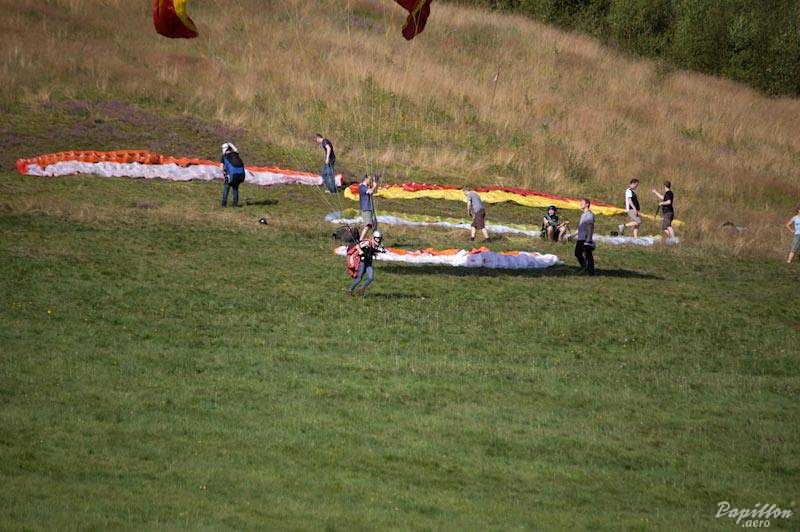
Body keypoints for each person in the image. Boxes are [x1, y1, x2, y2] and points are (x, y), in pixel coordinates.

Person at [347, 231, 386, 298]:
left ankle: (361, 289)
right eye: (377, 238)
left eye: (379, 238)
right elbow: (357, 246)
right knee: (359, 278)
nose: (378, 240)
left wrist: (380, 251)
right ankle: (349, 290)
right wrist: (360, 251)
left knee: (370, 278)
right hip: (362, 262)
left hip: (368, 263)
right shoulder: (367, 242)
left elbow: (373, 250)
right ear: (374, 237)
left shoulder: (376, 245)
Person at [220, 142, 246, 208]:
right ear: (230, 148)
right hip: (238, 176)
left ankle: (224, 205)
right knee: (235, 189)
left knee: (226, 189)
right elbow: (236, 150)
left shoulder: (224, 156)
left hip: (230, 176)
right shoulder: (235, 154)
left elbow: (221, 168)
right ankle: (235, 205)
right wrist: (231, 144)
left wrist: (225, 175)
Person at [575, 198, 595, 275]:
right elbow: (581, 227)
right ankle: (586, 268)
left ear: (587, 204)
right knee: (578, 253)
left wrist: (589, 238)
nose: (580, 204)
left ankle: (590, 271)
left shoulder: (589, 214)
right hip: (581, 237)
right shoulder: (583, 215)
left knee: (587, 254)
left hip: (585, 238)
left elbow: (590, 226)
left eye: (582, 202)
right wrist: (573, 235)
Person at [358, 175, 379, 240]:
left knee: (374, 225)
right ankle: (360, 240)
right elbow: (370, 192)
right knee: (368, 225)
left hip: (370, 208)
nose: (370, 181)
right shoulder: (362, 187)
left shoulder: (366, 187)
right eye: (370, 180)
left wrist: (374, 185)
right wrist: (374, 186)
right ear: (366, 179)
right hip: (366, 208)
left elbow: (373, 191)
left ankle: (374, 240)